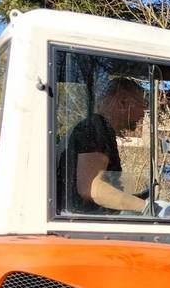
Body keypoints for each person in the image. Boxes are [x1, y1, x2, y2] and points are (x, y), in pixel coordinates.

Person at [57, 77, 151, 215]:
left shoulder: (96, 127)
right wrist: (147, 207)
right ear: (123, 103)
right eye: (142, 106)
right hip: (87, 224)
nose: (143, 114)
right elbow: (91, 188)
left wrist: (132, 200)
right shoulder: (96, 128)